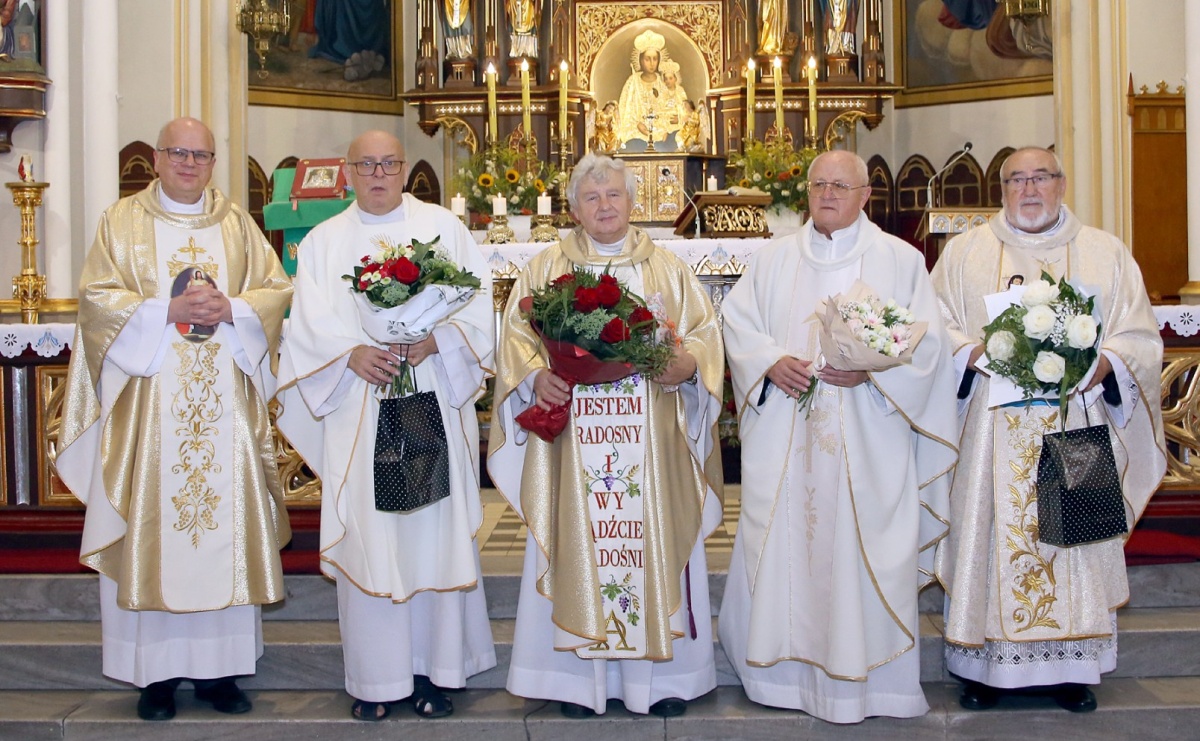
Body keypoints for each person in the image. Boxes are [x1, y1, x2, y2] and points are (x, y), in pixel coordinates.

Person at [55, 117, 293, 722]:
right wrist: (166, 310)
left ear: (214, 162)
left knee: (223, 530)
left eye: (201, 154)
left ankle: (221, 674)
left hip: (225, 412)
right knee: (153, 527)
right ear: (156, 159)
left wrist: (233, 306)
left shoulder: (238, 224)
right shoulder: (122, 222)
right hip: (149, 410)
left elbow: (275, 290)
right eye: (177, 152)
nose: (189, 163)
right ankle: (153, 677)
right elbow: (97, 300)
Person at [717, 149, 958, 723]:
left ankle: (872, 687)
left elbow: (930, 349)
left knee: (861, 547)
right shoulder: (773, 259)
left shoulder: (899, 260)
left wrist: (873, 371)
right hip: (786, 440)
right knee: (783, 544)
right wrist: (771, 361)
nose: (827, 194)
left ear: (865, 195)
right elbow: (738, 322)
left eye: (840, 185)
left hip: (870, 440)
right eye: (819, 184)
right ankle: (778, 681)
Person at [488, 153, 724, 719]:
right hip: (572, 441)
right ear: (573, 208)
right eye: (591, 199)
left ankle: (661, 684)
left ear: (632, 201)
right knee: (582, 542)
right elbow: (514, 339)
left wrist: (688, 367)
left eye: (614, 195)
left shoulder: (668, 268)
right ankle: (576, 684)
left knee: (650, 537)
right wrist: (534, 376)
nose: (604, 207)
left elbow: (706, 336)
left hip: (652, 442)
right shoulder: (544, 268)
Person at [931, 146, 1166, 713]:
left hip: (1076, 423)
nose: (1029, 189)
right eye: (1016, 179)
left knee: (1074, 542)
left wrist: (1106, 363)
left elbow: (1139, 335)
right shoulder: (965, 254)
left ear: (1062, 184)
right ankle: (984, 670)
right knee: (990, 535)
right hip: (991, 433)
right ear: (1002, 188)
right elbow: (934, 328)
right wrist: (974, 352)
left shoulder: (1104, 252)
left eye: (1041, 177)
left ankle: (1072, 670)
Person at [274, 130, 496, 722]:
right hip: (361, 404)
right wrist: (349, 354)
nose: (378, 173)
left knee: (431, 530)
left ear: (405, 170)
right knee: (373, 537)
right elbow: (307, 325)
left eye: (389, 163)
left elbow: (477, 309)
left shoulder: (444, 229)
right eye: (366, 164)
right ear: (347, 172)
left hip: (429, 398)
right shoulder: (323, 242)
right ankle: (378, 680)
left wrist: (437, 341)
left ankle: (436, 674)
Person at [615, 30, 670, 149]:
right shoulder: (632, 81)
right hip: (636, 134)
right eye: (647, 59)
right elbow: (624, 109)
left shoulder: (662, 83)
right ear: (640, 60)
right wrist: (637, 124)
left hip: (659, 133)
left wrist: (664, 128)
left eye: (655, 59)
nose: (651, 63)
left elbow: (668, 109)